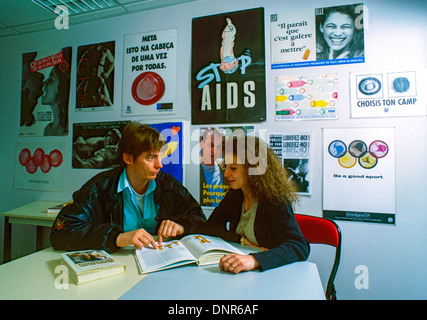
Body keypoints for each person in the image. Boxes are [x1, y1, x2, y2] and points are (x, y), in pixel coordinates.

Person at [50, 122, 206, 252]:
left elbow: (201, 220)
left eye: (159, 156)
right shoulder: (98, 188)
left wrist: (181, 226)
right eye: (151, 158)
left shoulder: (169, 185)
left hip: (159, 262)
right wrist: (116, 237)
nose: (159, 164)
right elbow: (61, 232)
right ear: (128, 158)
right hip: (116, 267)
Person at [197, 135, 310, 273]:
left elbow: (299, 246)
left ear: (252, 169)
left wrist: (255, 260)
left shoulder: (275, 199)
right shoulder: (236, 193)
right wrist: (241, 241)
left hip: (271, 274)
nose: (225, 174)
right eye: (225, 166)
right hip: (240, 272)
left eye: (233, 168)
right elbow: (210, 226)